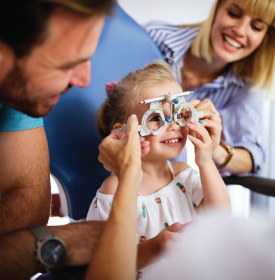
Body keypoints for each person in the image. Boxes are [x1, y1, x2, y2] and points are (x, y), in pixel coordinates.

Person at [0, 1, 163, 279]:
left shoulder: (16, 94)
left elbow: (29, 204)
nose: (85, 80)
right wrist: (61, 242)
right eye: (67, 65)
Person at [86, 61, 231, 278]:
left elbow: (221, 218)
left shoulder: (184, 174)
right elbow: (104, 262)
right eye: (155, 118)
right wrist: (154, 249)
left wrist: (206, 161)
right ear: (124, 132)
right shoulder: (113, 191)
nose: (173, 126)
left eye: (180, 113)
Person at [144, 0, 275, 175]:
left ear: (265, 38)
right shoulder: (155, 37)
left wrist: (215, 150)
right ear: (217, 9)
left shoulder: (245, 86)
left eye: (256, 27)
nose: (240, 31)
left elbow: (254, 157)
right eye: (234, 14)